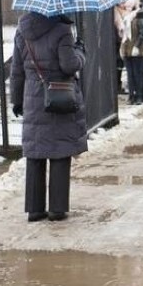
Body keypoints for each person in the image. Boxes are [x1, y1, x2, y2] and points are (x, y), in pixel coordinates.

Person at [11, 12, 87, 222]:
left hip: (32, 97)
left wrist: (17, 100)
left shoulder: (22, 30)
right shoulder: (62, 30)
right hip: (58, 96)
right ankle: (57, 208)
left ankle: (35, 209)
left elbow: (17, 70)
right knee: (60, 151)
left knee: (35, 153)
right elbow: (69, 65)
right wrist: (80, 52)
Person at [120, 0, 143, 104]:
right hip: (127, 49)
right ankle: (131, 96)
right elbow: (124, 35)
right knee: (130, 74)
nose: (127, 9)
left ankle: (139, 96)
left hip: (138, 50)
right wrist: (123, 48)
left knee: (138, 74)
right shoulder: (127, 18)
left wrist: (136, 46)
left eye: (128, 7)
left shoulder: (139, 17)